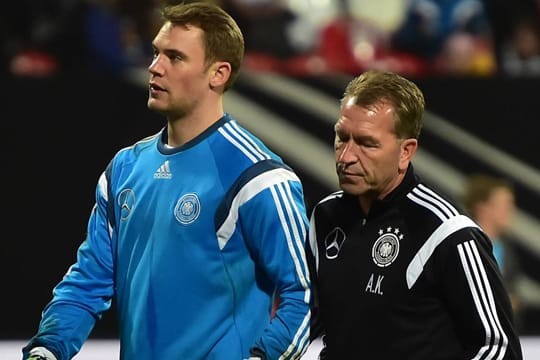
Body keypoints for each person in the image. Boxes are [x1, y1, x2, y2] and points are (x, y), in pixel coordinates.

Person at [22, 2, 311, 360]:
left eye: (174, 57)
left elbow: (303, 295)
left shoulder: (259, 176)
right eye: (157, 52)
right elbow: (89, 280)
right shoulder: (124, 168)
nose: (154, 67)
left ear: (218, 74)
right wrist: (48, 348)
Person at [305, 69, 523, 359]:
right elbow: (306, 318)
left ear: (406, 151)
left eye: (367, 143)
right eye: (341, 137)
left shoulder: (447, 232)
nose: (346, 157)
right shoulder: (324, 217)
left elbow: (499, 349)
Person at [462, 174, 522, 327]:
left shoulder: (507, 248)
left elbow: (513, 292)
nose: (511, 210)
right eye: (504, 204)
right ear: (482, 207)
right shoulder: (463, 243)